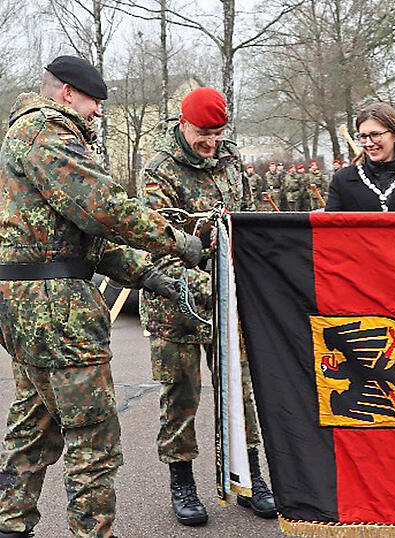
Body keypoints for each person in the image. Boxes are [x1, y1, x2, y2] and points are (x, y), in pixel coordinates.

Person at [0, 55, 203, 538]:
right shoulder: (47, 132)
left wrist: (151, 274)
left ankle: (11, 522)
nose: (97, 113)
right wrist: (175, 241)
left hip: (34, 304)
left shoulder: (31, 135)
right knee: (93, 437)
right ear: (68, 92)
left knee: (36, 421)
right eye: (94, 103)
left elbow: (81, 242)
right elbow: (103, 209)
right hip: (56, 310)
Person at [139, 87, 276, 526]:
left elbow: (250, 220)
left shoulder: (231, 162)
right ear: (183, 124)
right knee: (180, 398)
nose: (210, 142)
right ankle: (183, 483)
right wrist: (213, 283)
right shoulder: (158, 171)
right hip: (175, 308)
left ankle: (250, 477)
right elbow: (155, 244)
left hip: (227, 303)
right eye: (202, 133)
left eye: (217, 133)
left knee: (241, 391)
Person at [326, 102, 395, 211]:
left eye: (375, 134)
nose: (369, 143)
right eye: (363, 136)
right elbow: (330, 227)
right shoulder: (342, 180)